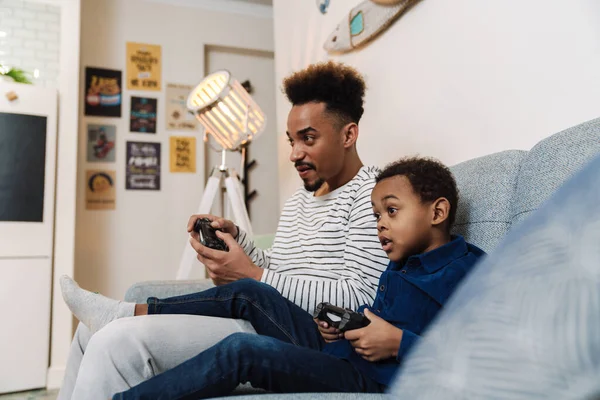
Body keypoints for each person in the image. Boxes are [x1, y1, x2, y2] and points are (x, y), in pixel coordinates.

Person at [58, 62, 389, 399]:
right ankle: (118, 315)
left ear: (348, 135)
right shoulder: (298, 201)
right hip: (267, 313)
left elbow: (362, 299)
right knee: (87, 333)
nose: (294, 154)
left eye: (308, 139)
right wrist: (238, 241)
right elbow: (280, 266)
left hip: (304, 335)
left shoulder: (375, 196)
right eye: (291, 141)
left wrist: (255, 276)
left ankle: (122, 314)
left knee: (115, 339)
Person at [61, 157, 486, 399]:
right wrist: (346, 328)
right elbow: (374, 315)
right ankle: (126, 311)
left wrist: (397, 343)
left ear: (438, 212)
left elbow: (483, 354)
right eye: (377, 215)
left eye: (390, 212)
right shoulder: (399, 263)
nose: (379, 225)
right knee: (250, 291)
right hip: (337, 351)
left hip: (370, 380)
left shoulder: (470, 271)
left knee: (242, 350)